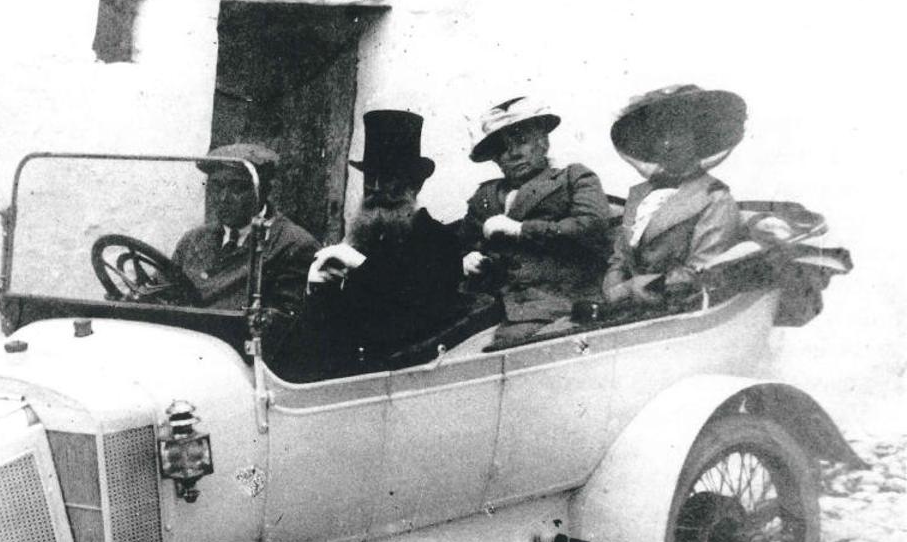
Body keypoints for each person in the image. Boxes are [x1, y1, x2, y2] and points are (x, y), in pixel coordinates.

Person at [277, 110, 465, 380]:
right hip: (346, 377)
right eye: (369, 178)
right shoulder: (363, 240)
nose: (375, 189)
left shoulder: (439, 243)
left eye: (387, 178)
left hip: (401, 380)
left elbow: (416, 322)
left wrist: (361, 267)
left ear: (414, 185)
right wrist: (316, 289)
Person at [459, 97, 611, 349]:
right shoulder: (484, 196)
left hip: (564, 306)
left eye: (521, 141)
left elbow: (591, 226)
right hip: (493, 311)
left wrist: (521, 230)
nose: (514, 153)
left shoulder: (572, 178)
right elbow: (463, 243)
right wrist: (468, 257)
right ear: (495, 159)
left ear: (543, 141)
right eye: (502, 148)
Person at [602, 84, 745, 307]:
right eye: (659, 135)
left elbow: (704, 272)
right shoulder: (640, 195)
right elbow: (619, 260)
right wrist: (614, 289)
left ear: (697, 139)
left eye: (677, 133)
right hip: (627, 307)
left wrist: (637, 287)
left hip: (683, 309)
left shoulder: (715, 198)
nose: (667, 144)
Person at [172, 143, 319, 312]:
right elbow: (160, 292)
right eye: (217, 186)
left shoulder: (292, 246)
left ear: (264, 190)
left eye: (237, 188)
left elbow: (281, 321)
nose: (223, 198)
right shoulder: (191, 241)